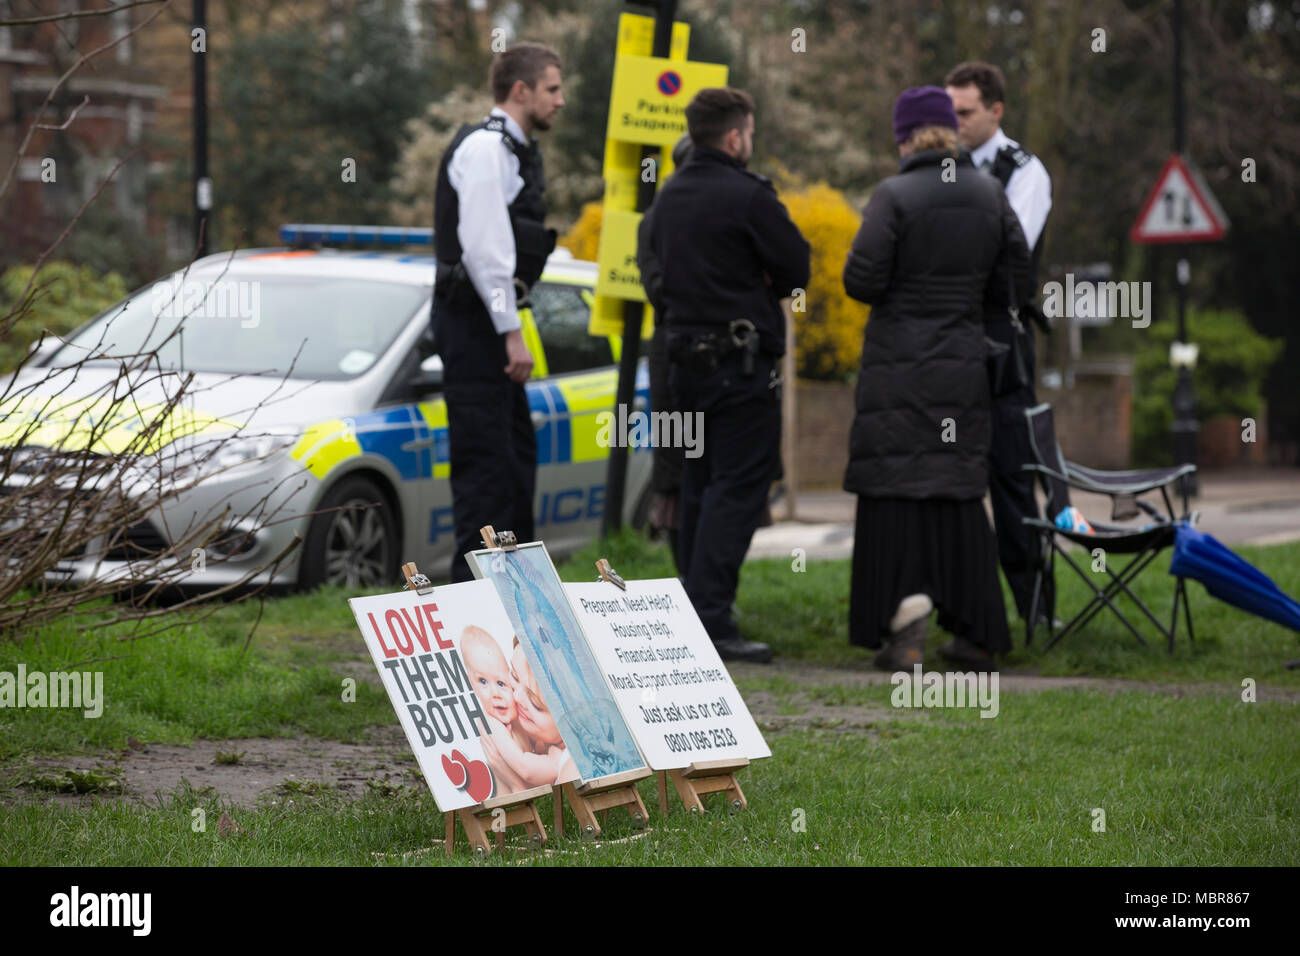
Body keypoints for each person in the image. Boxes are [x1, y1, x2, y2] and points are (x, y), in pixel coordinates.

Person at [842, 86, 1031, 670]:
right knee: (956, 496)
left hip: (897, 376)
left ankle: (906, 636)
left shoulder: (893, 195)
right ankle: (976, 634)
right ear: (950, 132)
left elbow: (861, 281)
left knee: (894, 496)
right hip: (962, 371)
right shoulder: (990, 194)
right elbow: (1015, 283)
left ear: (905, 137)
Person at [645, 87, 811, 664]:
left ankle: (696, 615)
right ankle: (709, 618)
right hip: (739, 372)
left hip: (684, 369)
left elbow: (659, 281)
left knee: (698, 486)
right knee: (736, 491)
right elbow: (797, 269)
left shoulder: (666, 200)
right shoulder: (749, 197)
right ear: (736, 136)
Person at [432, 43, 563, 581]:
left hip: (486, 323)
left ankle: (512, 610)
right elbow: (487, 253)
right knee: (487, 477)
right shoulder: (486, 151)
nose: (561, 100)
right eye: (553, 89)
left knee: (511, 471)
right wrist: (512, 333)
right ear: (521, 91)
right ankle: (474, 612)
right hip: (474, 326)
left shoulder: (510, 151)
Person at [945, 61, 1056, 630]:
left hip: (1003, 344)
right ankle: (966, 616)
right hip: (953, 343)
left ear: (996, 110)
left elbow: (1004, 250)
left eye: (965, 112)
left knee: (1012, 479)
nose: (955, 122)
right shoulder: (946, 167)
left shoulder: (1025, 171)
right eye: (950, 112)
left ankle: (1037, 611)